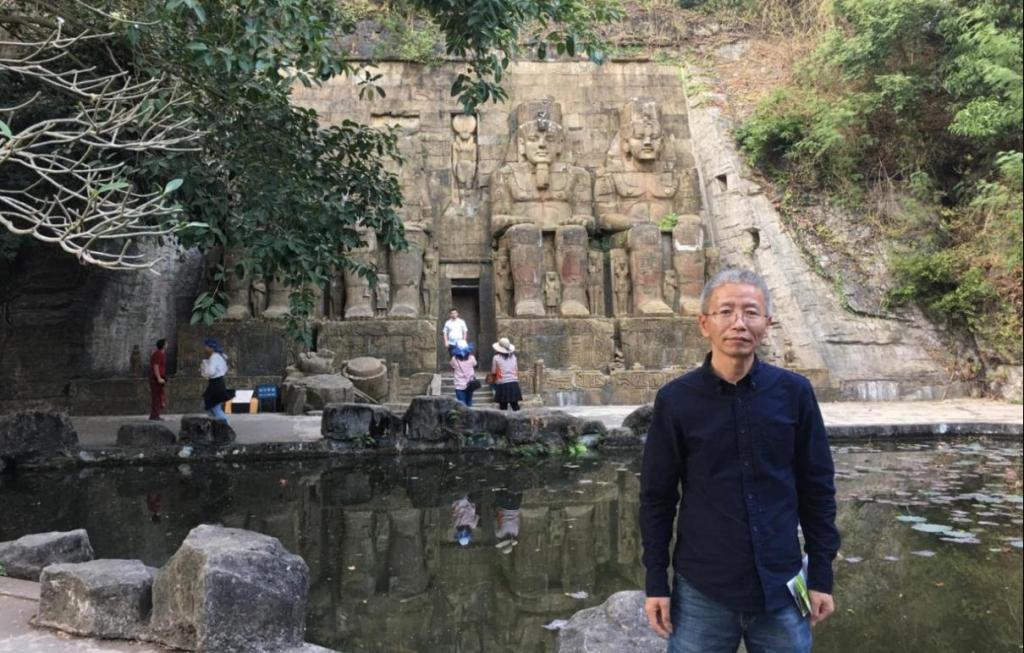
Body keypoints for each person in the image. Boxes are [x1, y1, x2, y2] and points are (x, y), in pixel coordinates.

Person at [639, 268, 839, 653]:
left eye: (750, 312)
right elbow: (657, 498)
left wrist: (821, 573)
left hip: (782, 585)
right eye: (725, 311)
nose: (738, 323)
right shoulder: (676, 400)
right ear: (704, 324)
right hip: (703, 589)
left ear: (767, 323)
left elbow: (817, 487)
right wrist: (656, 582)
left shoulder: (794, 393)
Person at [200, 337, 233, 423]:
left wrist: (204, 368)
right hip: (217, 383)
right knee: (210, 406)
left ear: (211, 347)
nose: (205, 348)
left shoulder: (214, 357)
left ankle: (226, 425)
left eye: (206, 346)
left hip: (215, 384)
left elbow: (211, 372)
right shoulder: (219, 356)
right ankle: (216, 424)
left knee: (215, 407)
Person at [491, 337, 522, 411]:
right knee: (515, 405)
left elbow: (493, 371)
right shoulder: (513, 357)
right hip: (514, 383)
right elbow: (516, 369)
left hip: (502, 383)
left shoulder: (496, 357)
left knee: (503, 406)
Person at [450, 339, 478, 407]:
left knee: (461, 405)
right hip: (470, 384)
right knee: (469, 402)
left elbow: (452, 366)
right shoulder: (472, 358)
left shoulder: (454, 359)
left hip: (459, 385)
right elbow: (475, 364)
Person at [148, 338, 168, 421]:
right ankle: (155, 415)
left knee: (159, 396)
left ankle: (155, 414)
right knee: (156, 397)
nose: (167, 345)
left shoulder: (160, 354)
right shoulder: (158, 354)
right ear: (163, 345)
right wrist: (158, 377)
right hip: (156, 378)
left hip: (160, 377)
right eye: (166, 343)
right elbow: (155, 366)